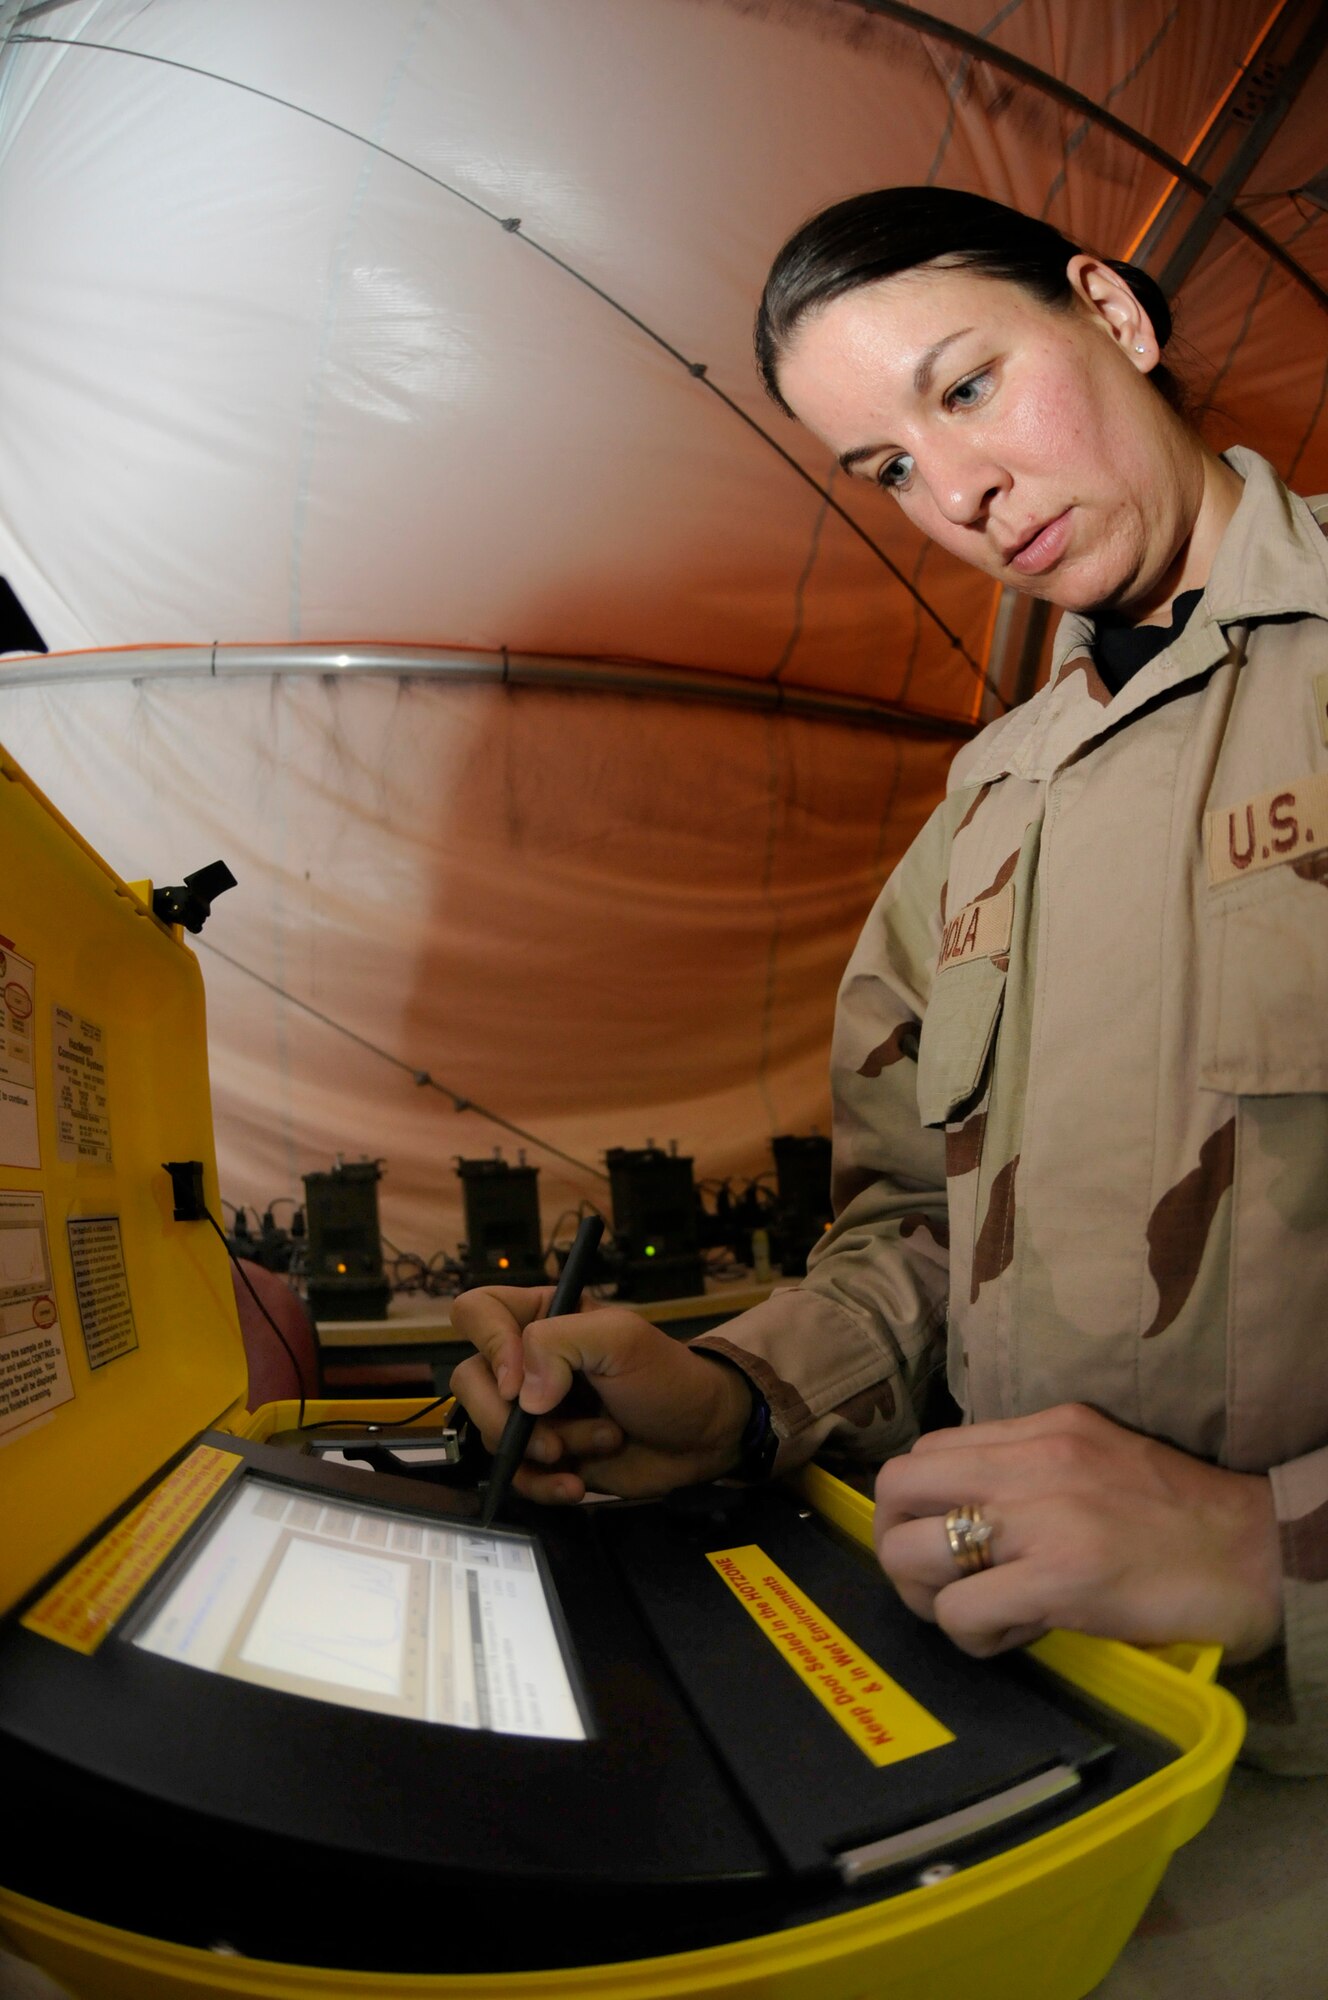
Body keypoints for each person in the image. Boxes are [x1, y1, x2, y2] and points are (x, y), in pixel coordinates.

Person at [452, 187, 1328, 1774]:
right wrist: (733, 1393)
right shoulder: (985, 814)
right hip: (1035, 1718)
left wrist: (1279, 1548)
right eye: (892, 471)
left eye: (968, 387)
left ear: (1114, 316)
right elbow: (924, 1226)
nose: (965, 494)